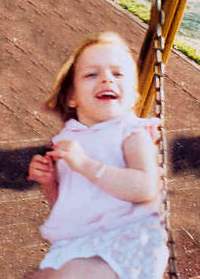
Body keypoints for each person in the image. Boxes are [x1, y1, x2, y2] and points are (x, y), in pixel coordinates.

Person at [27, 31, 169, 279]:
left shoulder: (131, 133)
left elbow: (145, 187)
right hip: (79, 244)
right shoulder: (68, 140)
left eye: (118, 74)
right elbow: (71, 206)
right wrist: (49, 183)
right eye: (92, 74)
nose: (106, 79)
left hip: (125, 243)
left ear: (134, 95)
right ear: (71, 97)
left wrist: (84, 164)